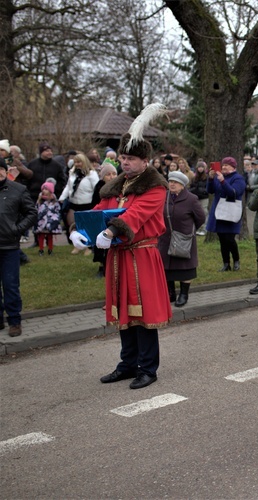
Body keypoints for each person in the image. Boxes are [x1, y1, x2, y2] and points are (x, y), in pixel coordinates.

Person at [69, 103, 172, 390]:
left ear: (144, 161)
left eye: (130, 159)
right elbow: (98, 210)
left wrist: (112, 231)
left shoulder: (155, 186)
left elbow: (136, 215)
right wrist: (80, 231)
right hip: (119, 256)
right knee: (123, 310)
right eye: (123, 158)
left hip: (142, 255)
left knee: (143, 314)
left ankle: (148, 368)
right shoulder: (117, 186)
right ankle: (127, 364)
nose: (124, 163)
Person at [0, 157, 37, 336]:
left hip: (9, 247)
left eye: (0, 169)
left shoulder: (18, 189)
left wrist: (18, 229)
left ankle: (14, 320)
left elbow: (31, 212)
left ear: (5, 170)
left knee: (10, 285)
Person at [158, 171, 206, 308]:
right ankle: (170, 293)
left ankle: (184, 294)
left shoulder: (191, 199)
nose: (172, 184)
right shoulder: (164, 197)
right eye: (170, 181)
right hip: (165, 238)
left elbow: (201, 218)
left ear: (183, 185)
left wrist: (189, 230)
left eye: (176, 182)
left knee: (185, 268)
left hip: (183, 239)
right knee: (166, 267)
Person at [206, 157, 246, 272]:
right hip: (219, 212)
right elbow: (210, 190)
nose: (224, 167)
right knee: (222, 239)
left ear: (233, 167)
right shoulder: (218, 176)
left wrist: (223, 181)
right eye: (223, 165)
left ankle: (236, 261)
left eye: (227, 165)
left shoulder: (238, 178)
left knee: (230, 239)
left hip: (230, 212)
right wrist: (210, 178)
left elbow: (233, 193)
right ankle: (226, 263)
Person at [59, 153, 99, 253]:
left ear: (84, 162)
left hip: (87, 203)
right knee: (73, 224)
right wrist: (62, 197)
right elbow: (68, 186)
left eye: (79, 162)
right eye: (76, 162)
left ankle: (89, 246)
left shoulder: (92, 174)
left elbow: (96, 188)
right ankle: (77, 245)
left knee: (87, 225)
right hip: (74, 202)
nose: (77, 164)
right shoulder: (72, 173)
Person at [91, 161, 119, 278]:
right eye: (108, 174)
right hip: (101, 220)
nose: (112, 177)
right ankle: (102, 266)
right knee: (100, 246)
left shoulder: (120, 188)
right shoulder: (99, 188)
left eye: (114, 174)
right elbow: (96, 206)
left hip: (115, 221)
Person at [33, 180, 63, 255]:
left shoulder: (54, 202)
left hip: (50, 222)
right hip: (41, 222)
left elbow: (57, 210)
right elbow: (36, 209)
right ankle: (41, 249)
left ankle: (50, 249)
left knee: (50, 236)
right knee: (41, 236)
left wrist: (56, 219)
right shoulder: (40, 201)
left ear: (50, 190)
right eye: (43, 189)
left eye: (46, 189)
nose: (44, 191)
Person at [189, 161, 209, 236]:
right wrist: (194, 190)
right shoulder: (194, 178)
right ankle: (197, 228)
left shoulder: (206, 177)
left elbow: (207, 188)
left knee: (204, 212)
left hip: (204, 197)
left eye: (202, 167)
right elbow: (191, 186)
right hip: (196, 197)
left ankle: (204, 228)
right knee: (196, 212)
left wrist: (202, 191)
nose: (200, 169)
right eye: (199, 167)